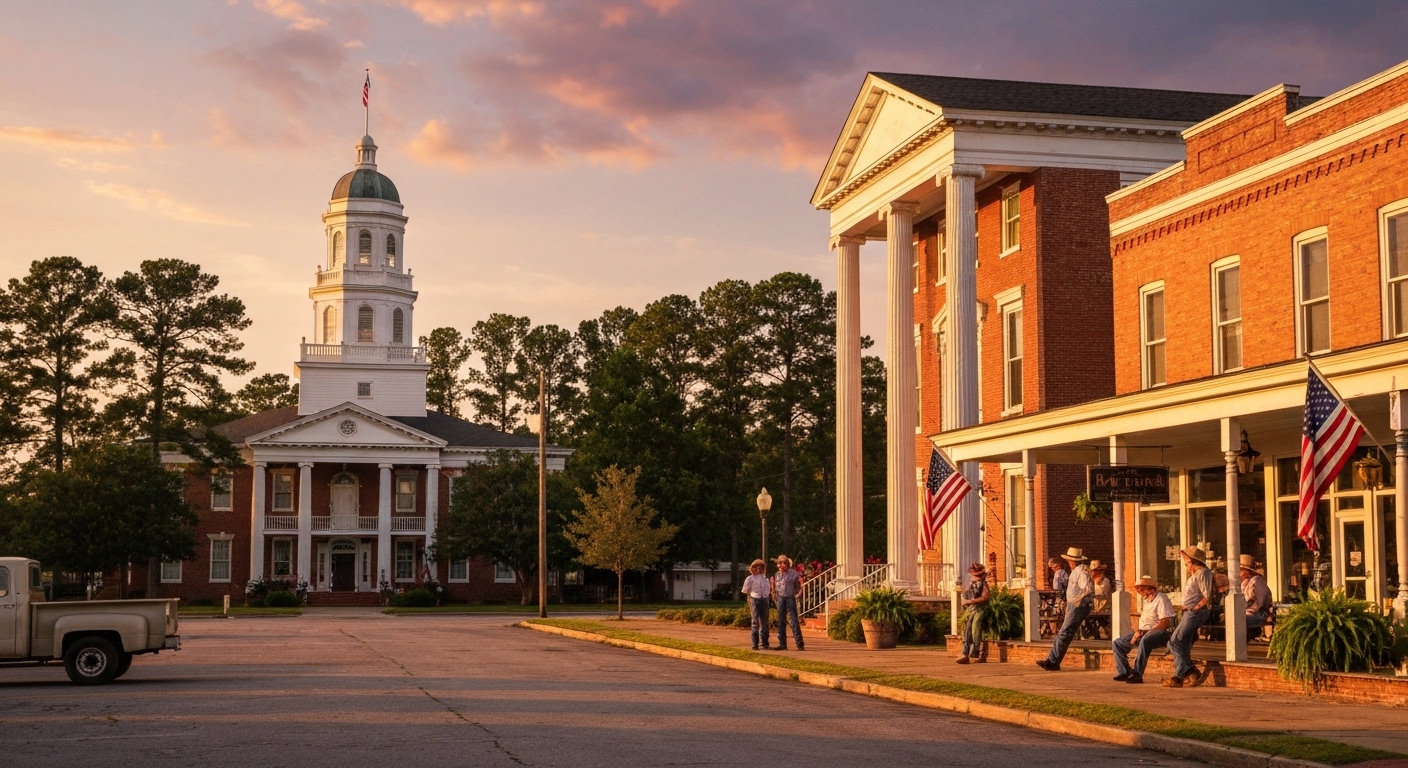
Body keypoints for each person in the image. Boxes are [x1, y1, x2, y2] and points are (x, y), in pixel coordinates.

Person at [1165, 547, 1216, 688]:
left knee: (1174, 641)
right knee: (1182, 643)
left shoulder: (1203, 573)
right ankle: (1179, 676)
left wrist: (1195, 608)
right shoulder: (1195, 575)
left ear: (1192, 561)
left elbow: (1207, 595)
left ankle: (1189, 669)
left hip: (1195, 612)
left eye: (1186, 562)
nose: (1186, 565)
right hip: (1188, 611)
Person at [1037, 547, 1093, 671]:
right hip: (1074, 604)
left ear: (1071, 560)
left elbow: (1087, 589)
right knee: (1065, 632)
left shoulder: (1080, 571)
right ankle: (1053, 660)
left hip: (1078, 605)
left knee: (1065, 631)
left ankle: (1053, 661)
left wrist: (1077, 600)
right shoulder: (1076, 571)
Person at [1111, 576, 1175, 684]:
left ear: (1151, 589)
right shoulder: (1148, 601)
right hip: (1144, 632)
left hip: (1161, 633)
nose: (1143, 594)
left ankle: (1137, 674)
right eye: (1140, 591)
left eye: (1143, 591)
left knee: (1145, 641)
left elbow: (1165, 623)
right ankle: (1125, 671)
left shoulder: (1161, 599)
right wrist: (1139, 632)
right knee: (1118, 643)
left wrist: (1146, 633)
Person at [957, 562, 991, 664]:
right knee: (967, 630)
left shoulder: (983, 584)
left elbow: (985, 597)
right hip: (971, 609)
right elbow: (966, 594)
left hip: (980, 609)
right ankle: (965, 653)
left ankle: (975, 651)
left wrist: (970, 601)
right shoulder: (972, 584)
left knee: (976, 626)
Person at [772, 555, 804, 651]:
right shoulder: (777, 574)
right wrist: (774, 593)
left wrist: (797, 594)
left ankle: (800, 644)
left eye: (784, 563)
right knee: (781, 621)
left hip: (790, 597)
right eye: (779, 563)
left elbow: (799, 585)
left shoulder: (794, 574)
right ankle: (782, 644)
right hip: (780, 598)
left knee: (793, 620)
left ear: (788, 564)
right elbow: (776, 586)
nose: (781, 565)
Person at [741, 559, 772, 650]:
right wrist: (750, 598)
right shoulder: (750, 579)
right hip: (754, 598)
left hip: (764, 599)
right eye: (754, 567)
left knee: (764, 622)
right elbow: (746, 590)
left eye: (758, 567)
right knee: (755, 621)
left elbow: (767, 590)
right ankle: (755, 644)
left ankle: (765, 643)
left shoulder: (765, 579)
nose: (756, 569)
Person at [1240, 554, 1273, 640]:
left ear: (1248, 571)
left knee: (1238, 621)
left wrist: (1254, 607)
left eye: (1241, 570)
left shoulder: (1257, 581)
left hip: (1258, 614)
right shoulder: (1244, 583)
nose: (1239, 573)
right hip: (1247, 613)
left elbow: (1262, 599)